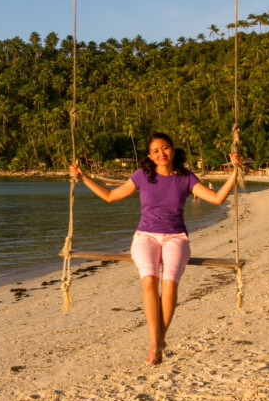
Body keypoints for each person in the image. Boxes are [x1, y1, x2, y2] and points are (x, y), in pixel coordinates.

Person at [69, 132, 242, 366]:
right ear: (150, 156)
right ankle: (155, 341)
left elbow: (217, 198)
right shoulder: (142, 176)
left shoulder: (186, 178)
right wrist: (84, 177)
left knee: (169, 283)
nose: (161, 153)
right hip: (145, 236)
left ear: (173, 150)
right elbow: (110, 196)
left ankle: (160, 340)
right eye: (156, 151)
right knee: (149, 280)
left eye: (165, 148)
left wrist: (235, 171)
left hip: (176, 237)